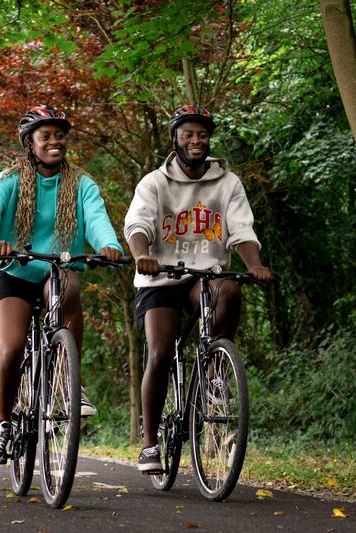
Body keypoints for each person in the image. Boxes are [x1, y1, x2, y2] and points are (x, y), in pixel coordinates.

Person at [123, 104, 273, 474]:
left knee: (228, 291)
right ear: (175, 139)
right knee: (161, 351)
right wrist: (142, 255)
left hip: (205, 274)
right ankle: (149, 443)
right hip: (160, 277)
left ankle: (214, 374)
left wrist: (254, 264)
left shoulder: (228, 183)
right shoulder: (154, 183)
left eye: (202, 134)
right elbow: (138, 224)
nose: (196, 140)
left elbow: (241, 229)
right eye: (188, 134)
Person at [0, 105, 123, 466]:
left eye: (59, 135)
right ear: (30, 143)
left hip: (59, 268)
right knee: (11, 349)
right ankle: (3, 425)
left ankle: (70, 384)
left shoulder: (81, 183)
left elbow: (97, 217)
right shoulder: (10, 180)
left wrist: (108, 244)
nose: (54, 141)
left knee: (68, 287)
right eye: (46, 136)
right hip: (17, 272)